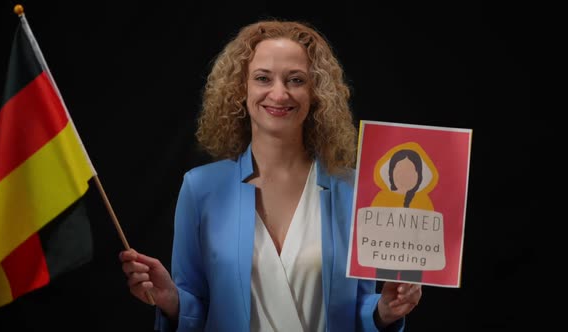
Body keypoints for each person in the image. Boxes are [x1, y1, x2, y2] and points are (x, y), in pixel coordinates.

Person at [120, 19, 422, 331]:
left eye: (296, 80)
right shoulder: (200, 188)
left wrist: (384, 310)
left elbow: (358, 307)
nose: (279, 94)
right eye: (263, 78)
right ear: (241, 89)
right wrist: (172, 300)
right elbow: (198, 306)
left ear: (317, 92)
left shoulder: (355, 189)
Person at [370, 142, 438, 282]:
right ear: (391, 172)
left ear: (418, 174)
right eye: (399, 170)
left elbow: (430, 232)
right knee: (383, 284)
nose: (404, 175)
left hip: (414, 257)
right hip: (385, 254)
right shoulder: (382, 197)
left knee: (410, 285)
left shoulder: (424, 201)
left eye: (410, 171)